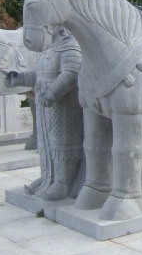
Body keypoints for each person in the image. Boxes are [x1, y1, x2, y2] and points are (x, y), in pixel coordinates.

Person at [7, 25, 84, 201]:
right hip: (45, 106)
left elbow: (71, 74)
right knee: (46, 144)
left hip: (65, 107)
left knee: (62, 144)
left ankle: (63, 182)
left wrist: (52, 93)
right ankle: (48, 177)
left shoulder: (71, 45)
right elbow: (42, 74)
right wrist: (20, 78)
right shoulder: (49, 47)